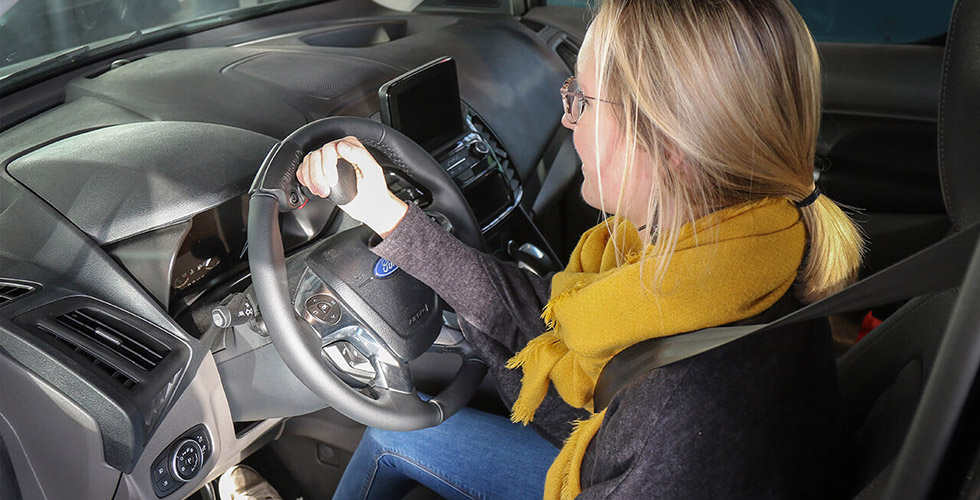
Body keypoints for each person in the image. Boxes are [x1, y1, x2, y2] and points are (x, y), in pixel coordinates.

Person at [296, 0, 864, 498]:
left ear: (667, 143)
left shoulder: (678, 419)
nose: (568, 121)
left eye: (584, 102)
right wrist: (388, 214)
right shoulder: (739, 251)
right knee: (396, 432)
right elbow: (551, 323)